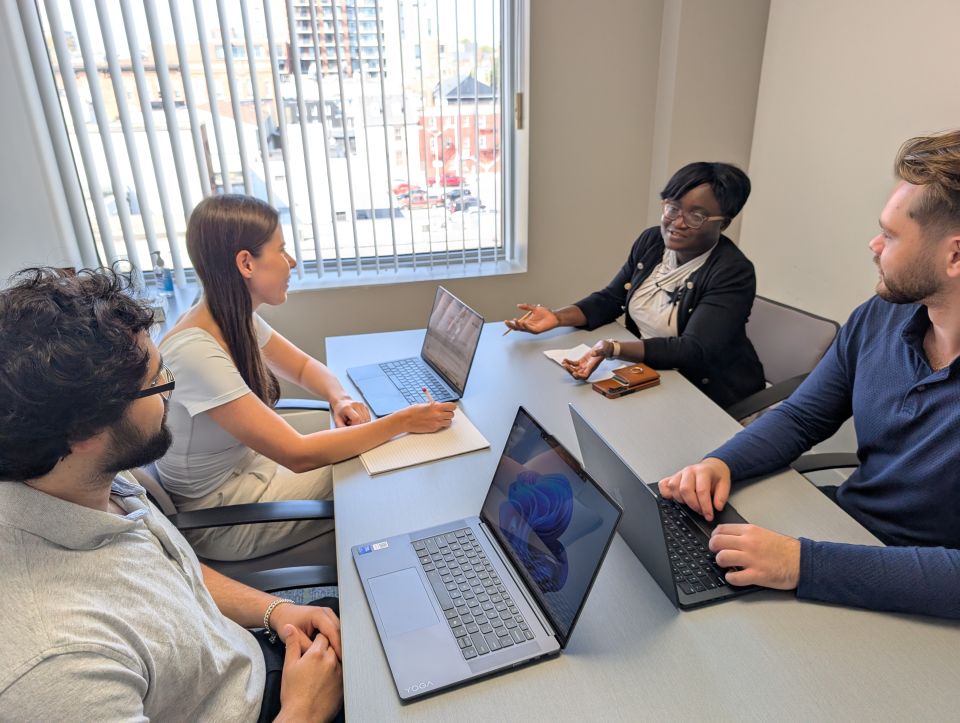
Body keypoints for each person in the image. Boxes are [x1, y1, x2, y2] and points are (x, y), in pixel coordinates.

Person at [0, 267, 342, 721]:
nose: (169, 398)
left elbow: (166, 575)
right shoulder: (56, 665)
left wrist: (275, 610)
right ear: (85, 430)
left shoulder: (87, 483)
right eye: (158, 383)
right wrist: (305, 709)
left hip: (247, 659)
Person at [657, 130, 960, 619]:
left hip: (921, 599)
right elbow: (802, 417)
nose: (874, 244)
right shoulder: (880, 317)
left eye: (893, 234)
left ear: (956, 255)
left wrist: (803, 564)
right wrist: (722, 463)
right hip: (845, 534)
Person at [157, 195, 455, 560]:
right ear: (246, 263)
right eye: (281, 250)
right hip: (224, 516)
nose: (291, 262)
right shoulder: (196, 351)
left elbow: (301, 367)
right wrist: (404, 421)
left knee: (375, 440)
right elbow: (298, 455)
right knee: (388, 455)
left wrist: (339, 398)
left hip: (250, 471)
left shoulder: (229, 316)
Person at [504, 162, 764, 408]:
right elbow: (610, 299)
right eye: (673, 208)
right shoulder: (652, 242)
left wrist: (613, 348)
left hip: (705, 391)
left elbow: (693, 350)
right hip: (649, 372)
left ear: (724, 223)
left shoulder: (733, 272)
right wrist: (557, 318)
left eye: (696, 216)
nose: (677, 222)